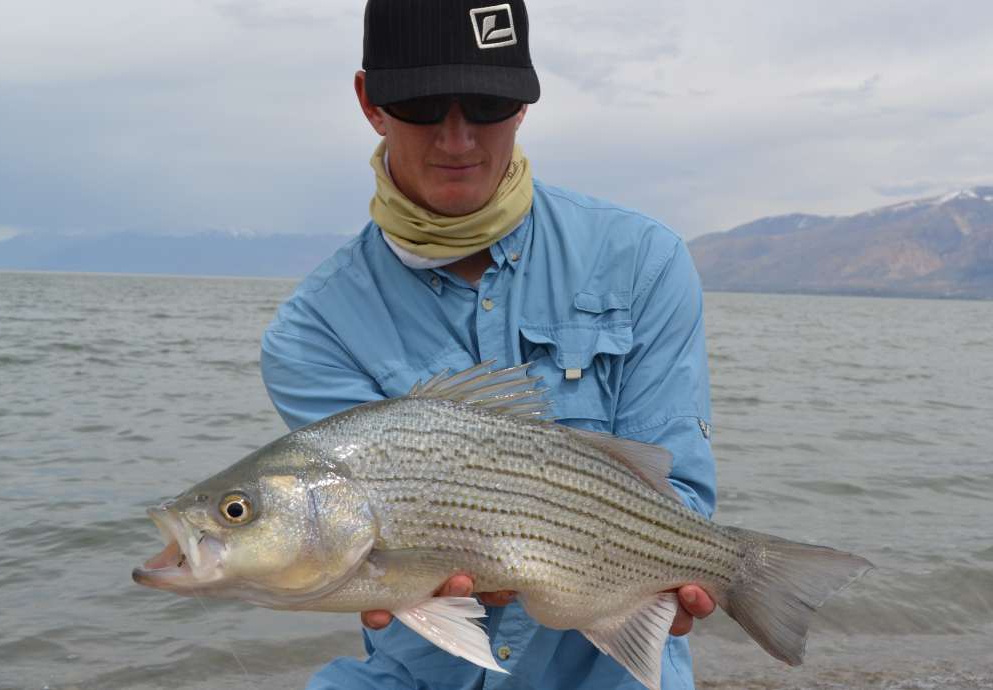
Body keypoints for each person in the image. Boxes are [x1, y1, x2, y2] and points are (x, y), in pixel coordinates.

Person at [260, 1, 718, 687]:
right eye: (420, 105)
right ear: (369, 100)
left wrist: (668, 580)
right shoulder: (313, 330)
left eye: (486, 103)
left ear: (525, 104)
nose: (457, 138)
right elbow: (353, 545)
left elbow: (674, 489)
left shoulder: (643, 259)